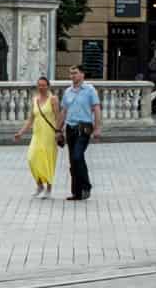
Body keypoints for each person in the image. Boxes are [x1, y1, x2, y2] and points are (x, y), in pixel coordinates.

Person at [12, 76, 62, 197]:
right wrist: (21, 132)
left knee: (47, 160)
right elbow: (30, 119)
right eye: (39, 85)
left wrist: (59, 131)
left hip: (50, 135)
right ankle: (39, 185)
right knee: (31, 158)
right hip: (37, 134)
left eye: (43, 85)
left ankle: (49, 188)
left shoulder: (53, 99)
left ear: (48, 86)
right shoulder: (35, 99)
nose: (41, 87)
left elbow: (58, 117)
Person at [58, 66, 102, 201]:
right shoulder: (68, 92)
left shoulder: (90, 90)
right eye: (71, 73)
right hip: (70, 128)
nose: (72, 76)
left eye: (75, 73)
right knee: (73, 160)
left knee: (77, 156)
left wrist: (97, 127)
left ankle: (86, 186)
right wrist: (58, 130)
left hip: (84, 128)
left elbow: (96, 109)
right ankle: (77, 192)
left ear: (82, 75)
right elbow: (64, 112)